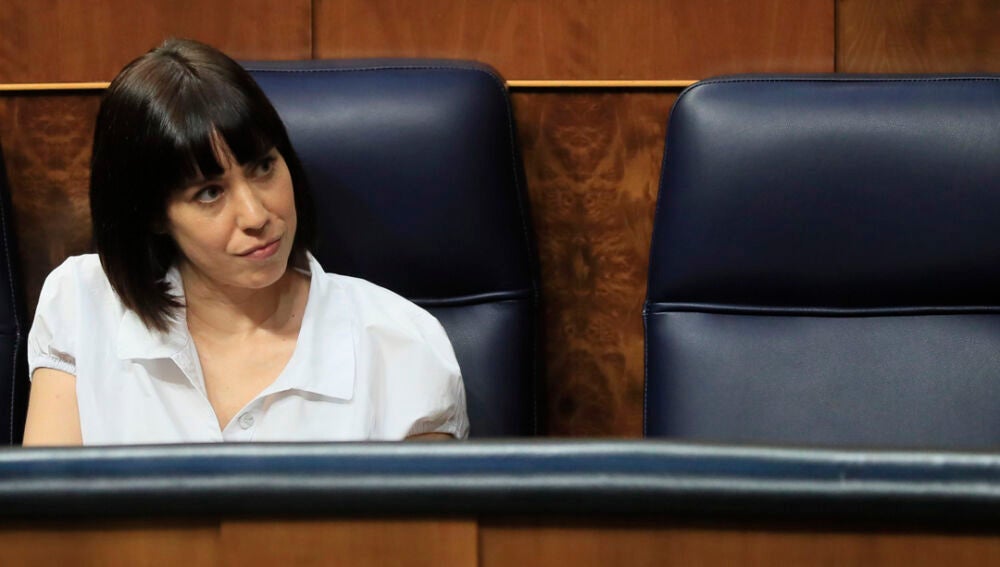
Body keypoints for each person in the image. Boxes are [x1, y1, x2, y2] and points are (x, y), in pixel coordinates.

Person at [21, 38, 469, 445]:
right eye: (209, 193)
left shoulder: (401, 343)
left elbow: (426, 515)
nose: (257, 216)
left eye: (263, 167)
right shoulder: (83, 304)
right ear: (154, 215)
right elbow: (50, 508)